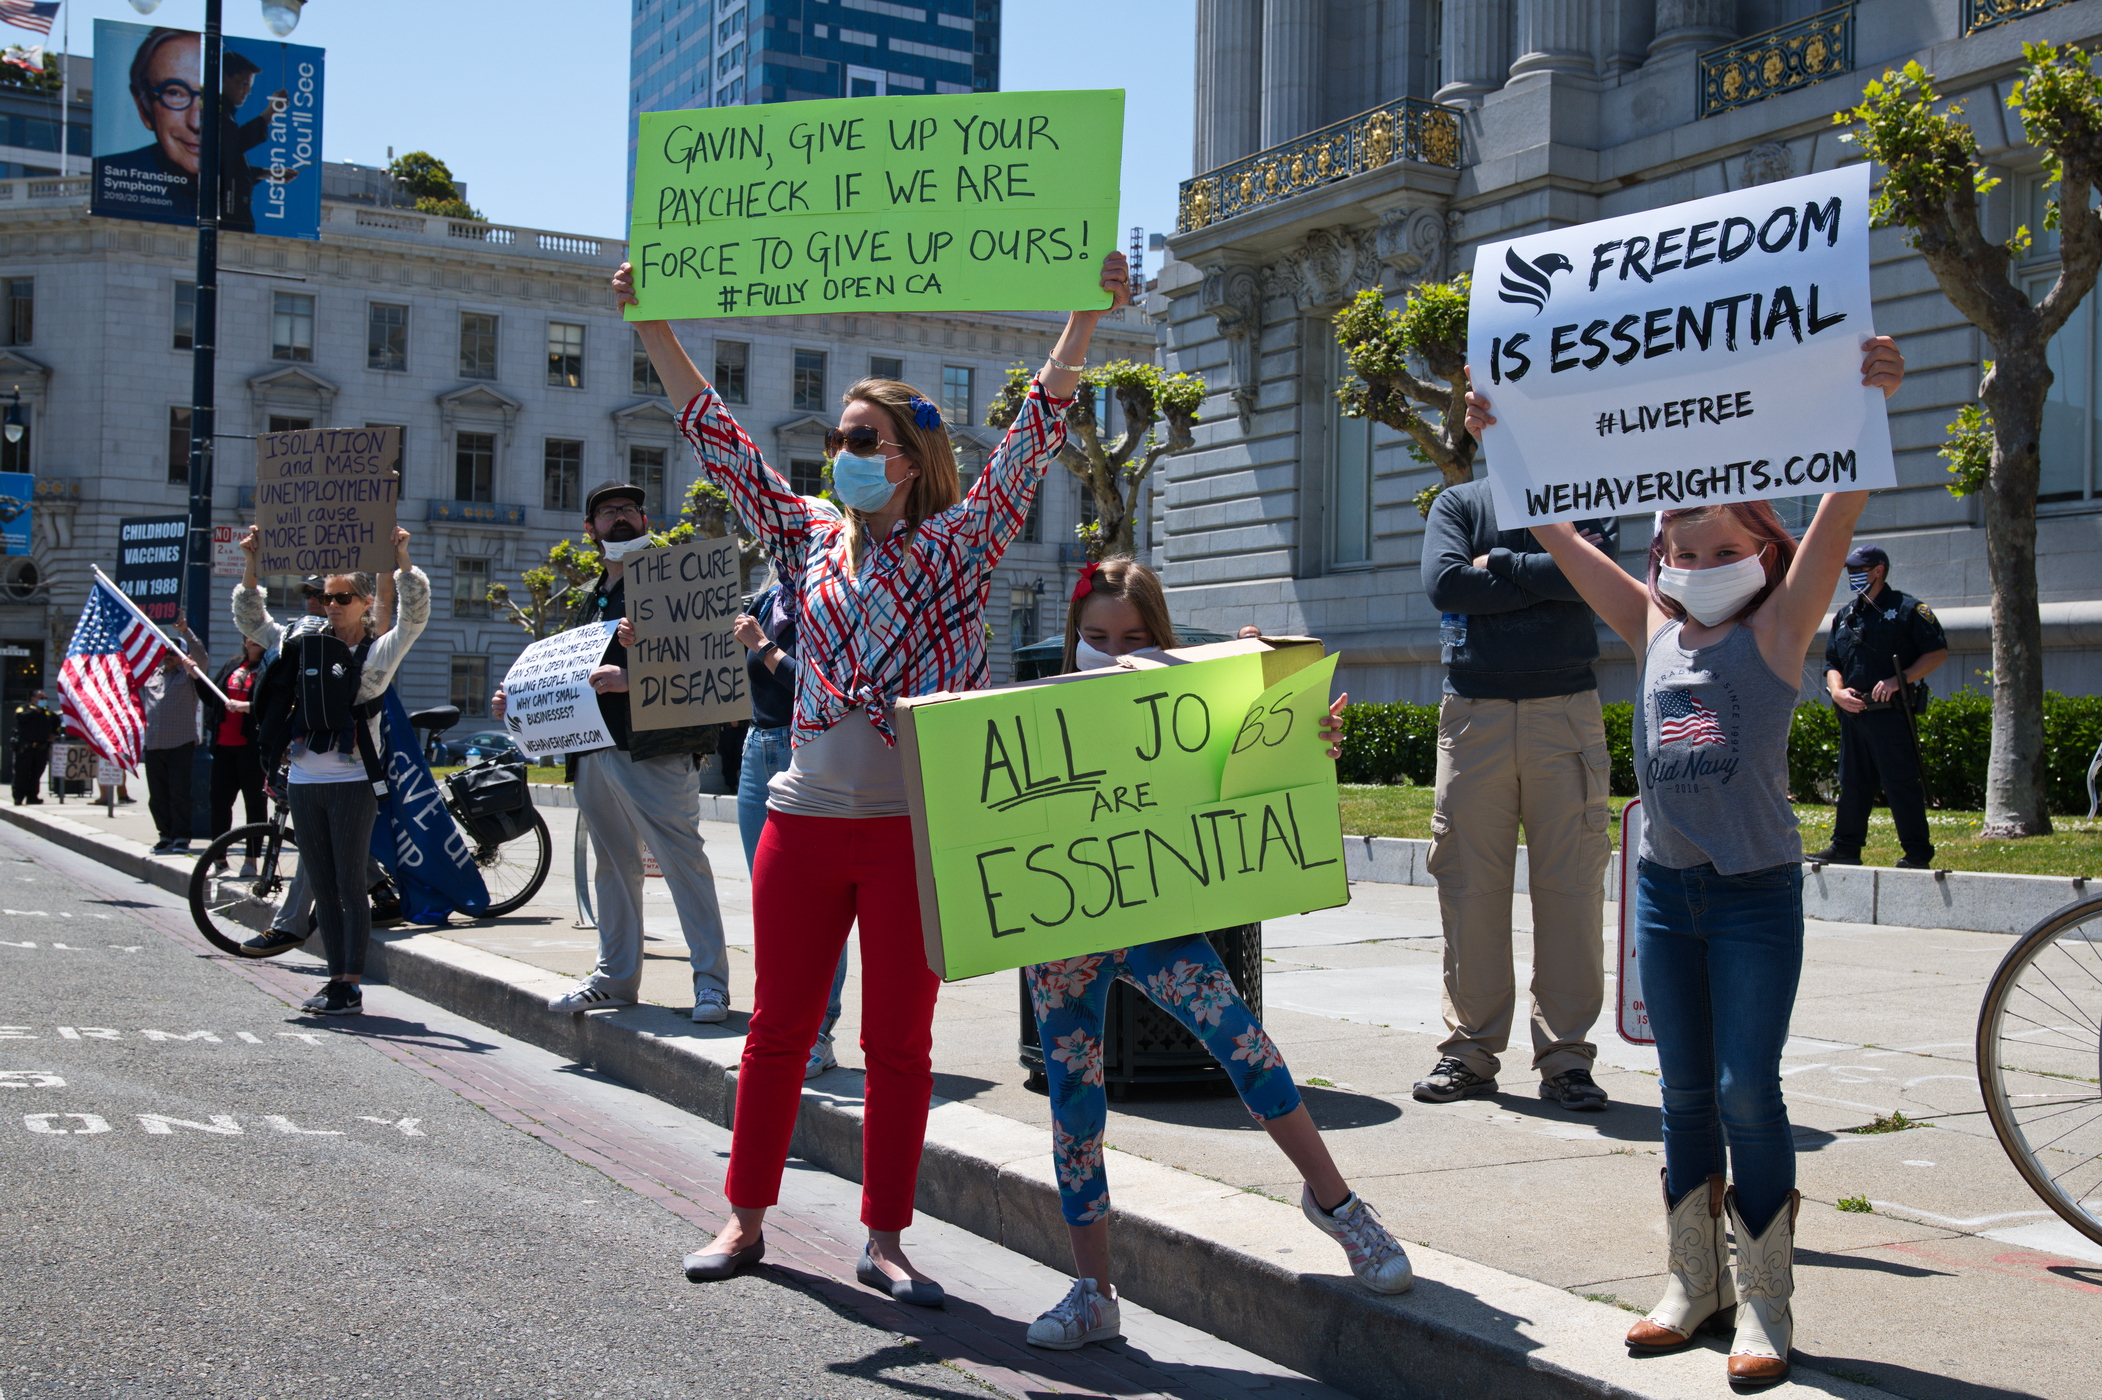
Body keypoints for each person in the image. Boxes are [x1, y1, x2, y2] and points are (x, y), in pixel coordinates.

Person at [627, 249, 1131, 1303]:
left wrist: (1084, 319)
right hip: (802, 821)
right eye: (835, 439)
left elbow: (1034, 432)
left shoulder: (960, 545)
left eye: (860, 440)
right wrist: (652, 326)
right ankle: (744, 1217)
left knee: (899, 1044)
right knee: (777, 1030)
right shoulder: (804, 535)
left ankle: (886, 1238)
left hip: (911, 831)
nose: (839, 454)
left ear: (908, 457)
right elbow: (716, 434)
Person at [1464, 336, 1905, 1387]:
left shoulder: (1781, 630)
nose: (1700, 569)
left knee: (1748, 1090)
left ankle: (1764, 1300)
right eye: (1682, 553)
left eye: (1721, 551)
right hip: (1664, 894)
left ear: (1764, 552)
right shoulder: (1648, 624)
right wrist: (1501, 439)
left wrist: (1870, 400)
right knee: (1682, 1094)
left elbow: (1841, 505)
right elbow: (1554, 529)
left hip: (1753, 898)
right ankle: (1690, 1282)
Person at [1020, 558, 1412, 1352]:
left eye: (1133, 637)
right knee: (1074, 1106)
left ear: (1161, 638)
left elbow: (1260, 763)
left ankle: (1338, 1206)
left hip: (1159, 920)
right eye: (1096, 637)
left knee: (1246, 1046)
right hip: (1065, 933)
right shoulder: (1028, 717)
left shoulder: (1186, 703)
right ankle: (1094, 1292)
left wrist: (1304, 735)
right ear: (1073, 637)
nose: (1113, 651)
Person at [1414, 477, 1621, 1112]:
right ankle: (1470, 1052)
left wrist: (1498, 564)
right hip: (1473, 714)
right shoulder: (1459, 503)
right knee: (1468, 886)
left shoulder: (1588, 494)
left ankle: (1566, 1058)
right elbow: (1446, 585)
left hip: (1567, 709)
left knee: (1573, 888)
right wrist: (1552, 574)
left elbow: (1592, 578)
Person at [494, 482, 735, 1025]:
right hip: (593, 748)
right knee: (613, 866)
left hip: (655, 747)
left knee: (681, 860)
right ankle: (615, 978)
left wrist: (635, 679)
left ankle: (711, 984)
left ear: (646, 520)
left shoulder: (673, 576)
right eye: (607, 512)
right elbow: (568, 671)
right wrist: (520, 700)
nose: (620, 517)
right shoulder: (589, 597)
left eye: (629, 509)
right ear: (590, 529)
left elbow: (708, 654)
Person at [232, 525, 426, 1016]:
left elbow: (415, 617)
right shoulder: (300, 642)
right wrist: (252, 563)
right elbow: (251, 619)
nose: (331, 605)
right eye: (325, 597)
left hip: (352, 782)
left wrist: (402, 560)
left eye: (342, 598)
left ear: (365, 603)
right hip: (303, 780)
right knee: (321, 884)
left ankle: (349, 984)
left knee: (348, 887)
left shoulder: (378, 652)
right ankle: (334, 980)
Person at [732, 567, 851, 1080]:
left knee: (818, 904)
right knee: (772, 901)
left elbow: (823, 688)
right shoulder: (766, 601)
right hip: (757, 749)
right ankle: (782, 1026)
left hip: (805, 751)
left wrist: (763, 647)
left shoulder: (833, 599)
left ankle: (818, 1033)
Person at [1808, 544, 1947, 869]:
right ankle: (1846, 848)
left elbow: (1937, 652)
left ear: (1878, 570)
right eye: (1850, 571)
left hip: (1891, 714)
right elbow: (1832, 663)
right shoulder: (1846, 615)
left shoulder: (1908, 609)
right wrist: (1837, 692)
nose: (1852, 576)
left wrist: (1901, 679)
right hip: (1854, 713)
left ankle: (1917, 853)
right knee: (1852, 784)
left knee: (1900, 783)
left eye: (1858, 570)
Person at [201, 637, 269, 877]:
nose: (253, 640)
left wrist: (246, 706)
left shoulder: (269, 667)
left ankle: (251, 861)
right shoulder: (233, 664)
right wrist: (196, 676)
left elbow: (272, 704)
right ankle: (219, 861)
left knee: (255, 806)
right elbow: (211, 697)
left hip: (251, 750)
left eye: (258, 635)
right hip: (223, 747)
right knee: (219, 804)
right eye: (249, 635)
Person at [141, 617, 209, 855]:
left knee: (179, 793)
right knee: (157, 796)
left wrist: (186, 632)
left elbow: (201, 658)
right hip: (153, 744)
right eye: (166, 652)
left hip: (180, 744)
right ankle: (165, 835)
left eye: (173, 652)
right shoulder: (152, 676)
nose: (168, 656)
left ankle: (181, 837)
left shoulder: (188, 675)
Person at [11, 689, 58, 807]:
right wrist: (34, 711)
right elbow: (19, 717)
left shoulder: (47, 712)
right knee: (22, 774)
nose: (44, 700)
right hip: (25, 748)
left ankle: (33, 797)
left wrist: (53, 734)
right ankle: (18, 797)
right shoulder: (24, 708)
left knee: (36, 774)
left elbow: (56, 722)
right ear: (33, 699)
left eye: (45, 698)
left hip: (41, 748)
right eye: (41, 698)